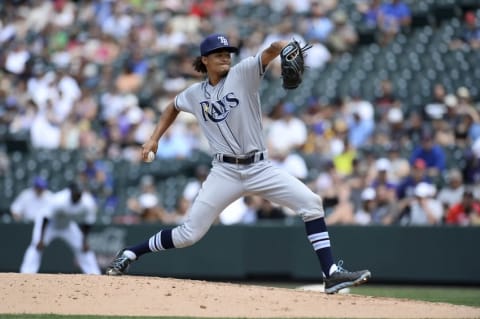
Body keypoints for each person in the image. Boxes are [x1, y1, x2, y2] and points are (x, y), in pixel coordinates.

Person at [105, 33, 371, 294]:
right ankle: (131, 252)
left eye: (227, 53)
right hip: (225, 172)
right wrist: (153, 138)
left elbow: (269, 51)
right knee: (189, 234)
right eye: (218, 54)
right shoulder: (194, 93)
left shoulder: (243, 73)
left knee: (312, 204)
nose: (225, 57)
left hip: (259, 167)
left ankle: (331, 275)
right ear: (204, 60)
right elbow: (172, 106)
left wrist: (286, 46)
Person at [19, 182, 100, 274]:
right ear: (70, 191)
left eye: (80, 193)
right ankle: (26, 273)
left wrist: (84, 241)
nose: (78, 195)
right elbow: (46, 218)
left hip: (67, 225)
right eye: (76, 193)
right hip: (50, 225)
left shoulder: (87, 202)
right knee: (36, 245)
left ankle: (94, 273)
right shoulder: (59, 200)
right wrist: (41, 239)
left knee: (83, 248)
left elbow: (87, 223)